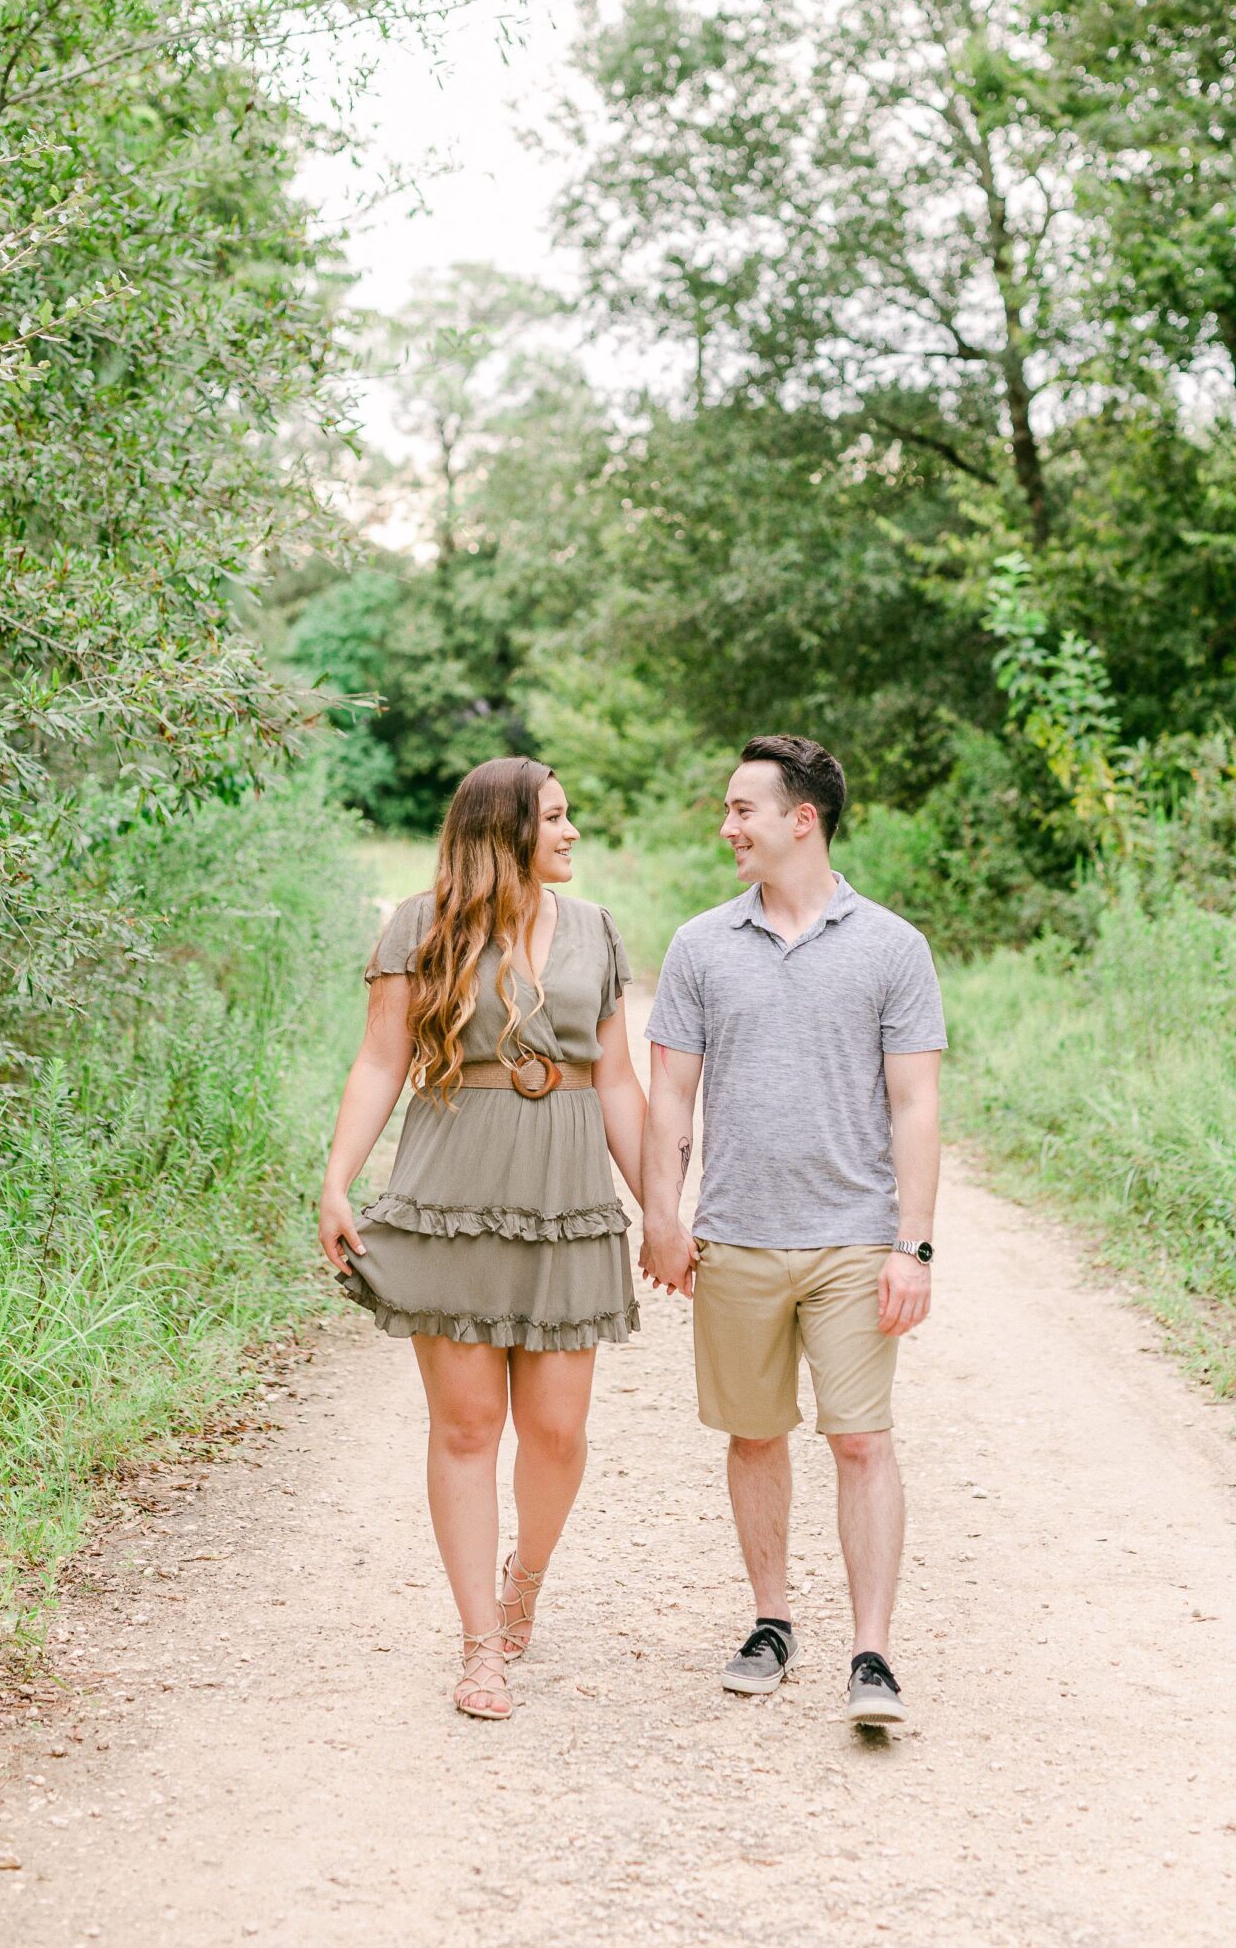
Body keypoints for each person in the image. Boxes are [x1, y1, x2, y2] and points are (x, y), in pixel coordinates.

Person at [318, 757, 646, 1722]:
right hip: (451, 1190)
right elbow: (381, 1061)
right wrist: (337, 1180)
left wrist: (660, 1207)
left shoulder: (594, 931)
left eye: (569, 814)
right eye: (554, 817)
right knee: (465, 1429)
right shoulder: (419, 927)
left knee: (558, 1430)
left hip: (567, 1196)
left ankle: (524, 1583)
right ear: (503, 830)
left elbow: (619, 1083)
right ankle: (477, 1646)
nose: (571, 832)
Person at [640, 733, 945, 1727]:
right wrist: (661, 1214)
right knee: (754, 1433)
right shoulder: (697, 945)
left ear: (799, 819)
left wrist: (913, 1244)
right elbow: (669, 1099)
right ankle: (769, 1620)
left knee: (860, 1440)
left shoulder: (891, 946)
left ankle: (872, 1652)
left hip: (855, 1240)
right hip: (734, 1237)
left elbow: (914, 1106)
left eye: (742, 809)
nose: (726, 825)